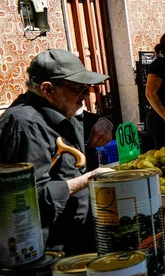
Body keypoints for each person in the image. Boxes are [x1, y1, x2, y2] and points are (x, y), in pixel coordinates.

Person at [0, 49, 114, 254]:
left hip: (79, 238)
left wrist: (104, 122)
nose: (85, 97)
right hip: (51, 251)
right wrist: (89, 179)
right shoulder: (26, 126)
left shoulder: (62, 110)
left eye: (87, 89)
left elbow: (83, 119)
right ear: (47, 89)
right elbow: (32, 201)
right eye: (79, 90)